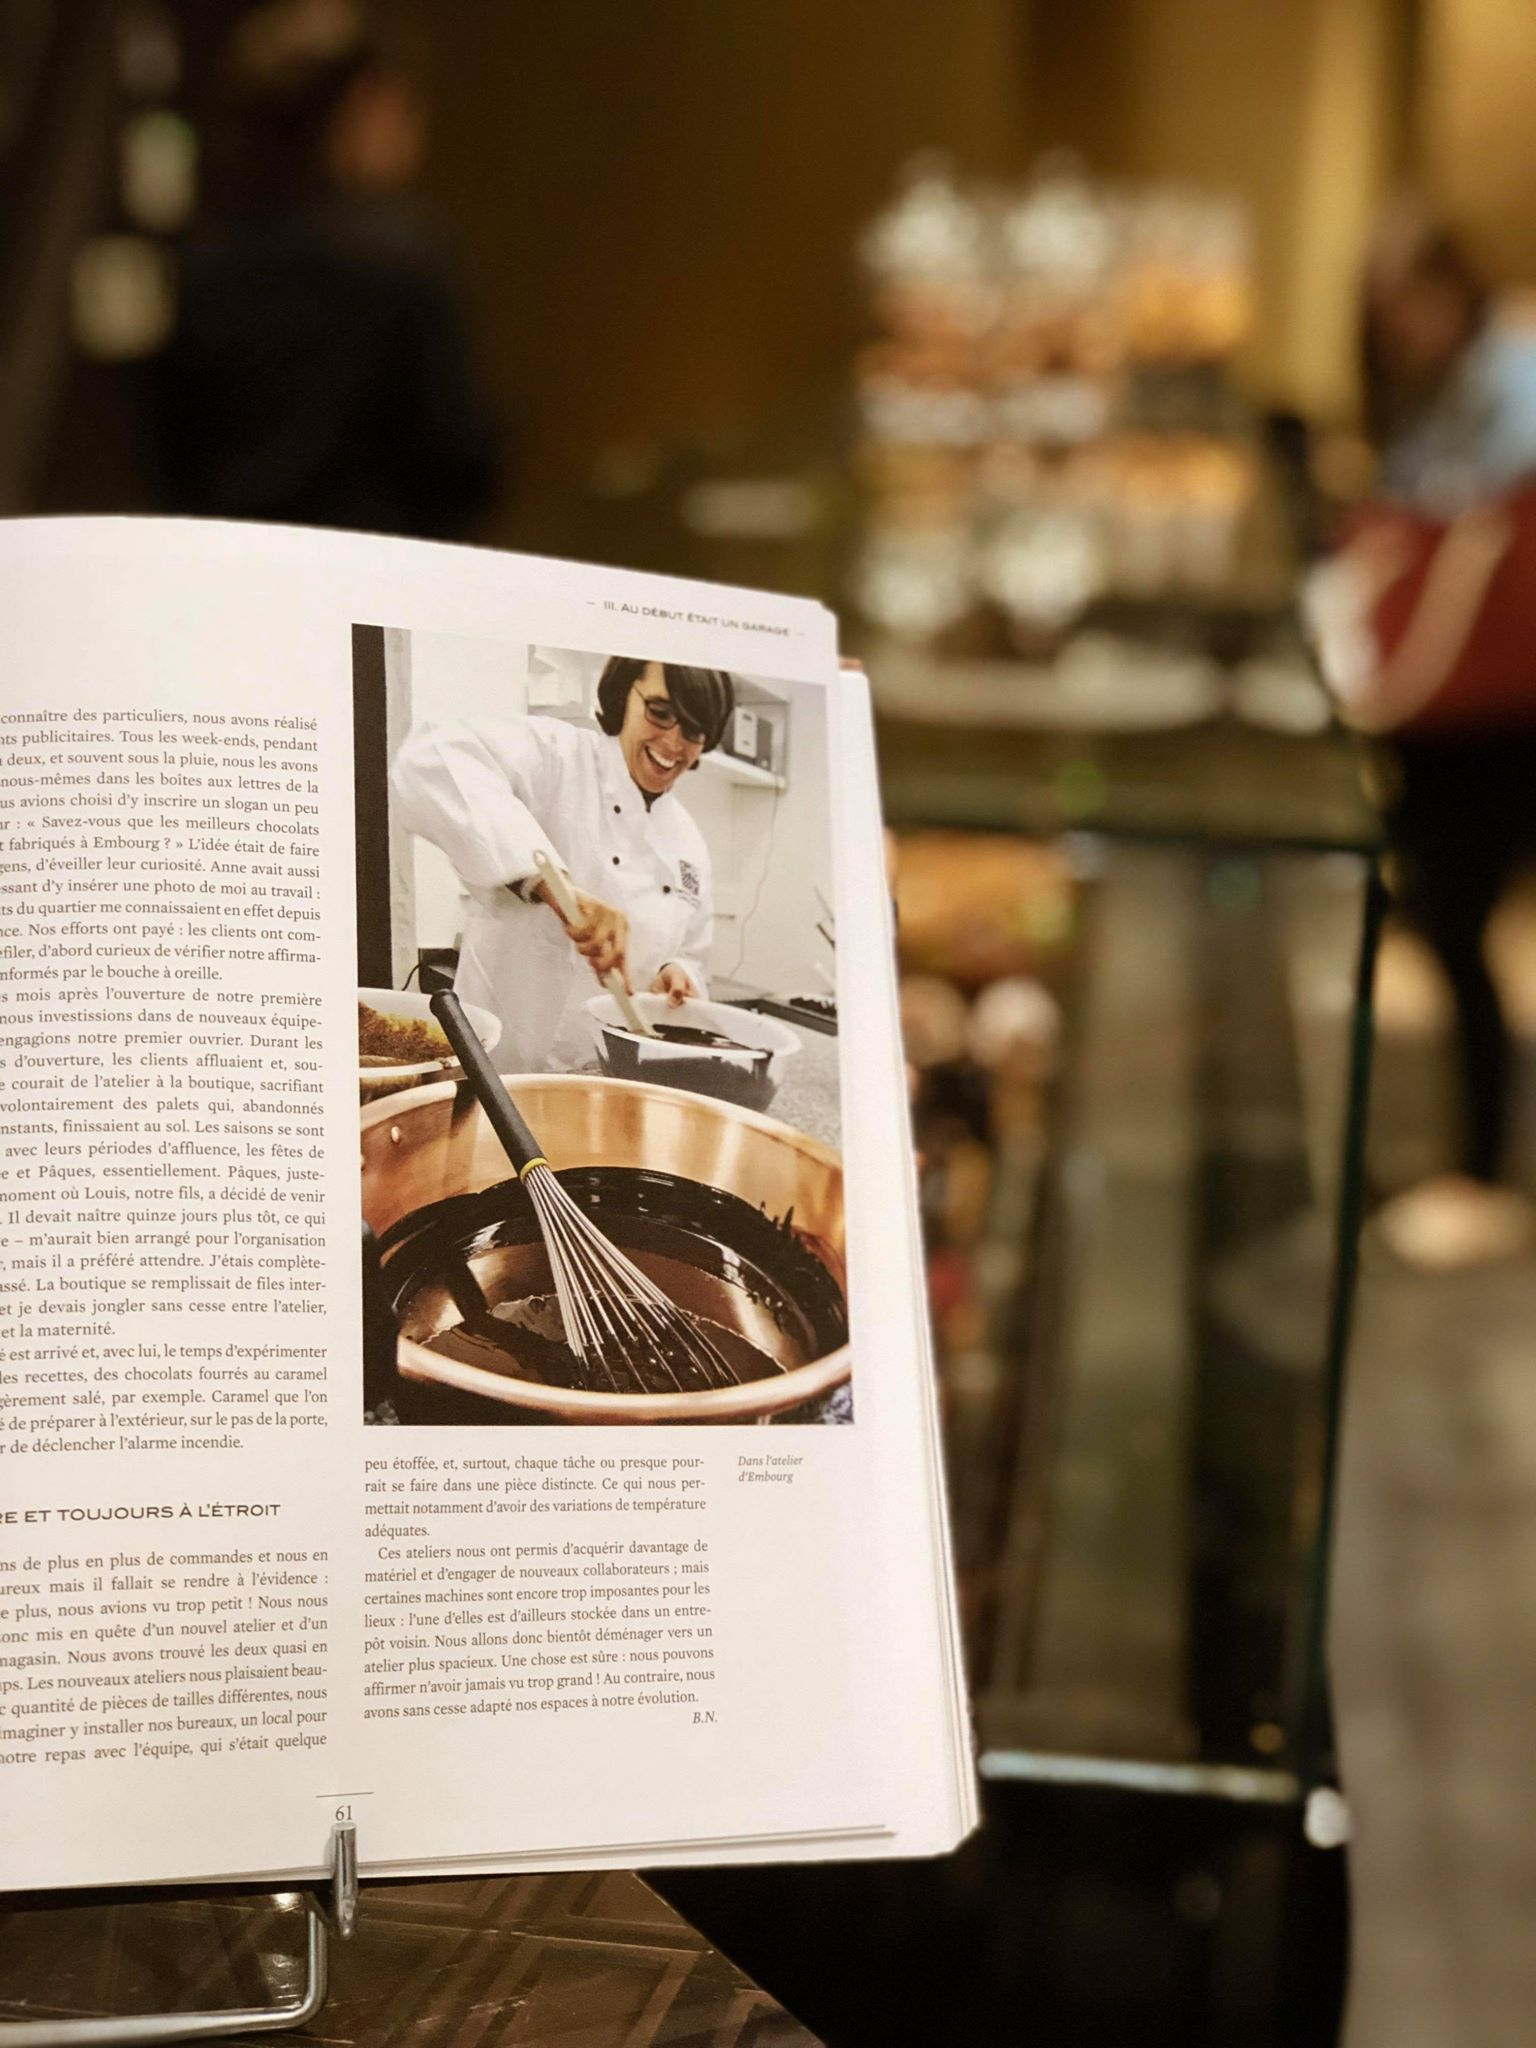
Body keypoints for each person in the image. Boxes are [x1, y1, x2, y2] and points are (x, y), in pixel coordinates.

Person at [1312, 202, 1536, 1268]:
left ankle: (1483, 1169)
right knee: (1440, 925)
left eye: (1412, 304)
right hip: (1435, 711)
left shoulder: (1514, 380)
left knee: (1461, 932)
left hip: (1495, 711)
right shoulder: (1426, 393)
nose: (1401, 328)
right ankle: (1459, 1157)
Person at [154, 0, 499, 539]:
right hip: (364, 564)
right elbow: (454, 456)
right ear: (369, 99)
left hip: (221, 557)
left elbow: (170, 446)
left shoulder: (203, 251)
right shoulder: (401, 254)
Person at [392, 657, 736, 1072]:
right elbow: (431, 755)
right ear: (625, 695)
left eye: (693, 730)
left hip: (606, 1074)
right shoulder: (559, 757)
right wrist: (552, 886)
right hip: (497, 1061)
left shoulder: (688, 842)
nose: (674, 742)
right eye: (660, 712)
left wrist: (676, 972)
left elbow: (692, 952)